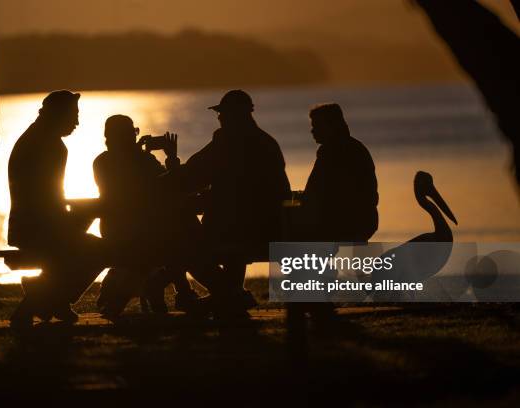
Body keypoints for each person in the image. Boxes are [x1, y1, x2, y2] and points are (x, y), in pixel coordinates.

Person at [161, 90, 291, 318]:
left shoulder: (226, 142)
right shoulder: (267, 142)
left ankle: (229, 295)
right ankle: (229, 296)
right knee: (224, 242)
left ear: (234, 115)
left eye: (222, 113)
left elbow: (191, 177)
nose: (219, 118)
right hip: (267, 229)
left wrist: (171, 163)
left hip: (231, 230)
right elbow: (281, 191)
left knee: (181, 243)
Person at [7, 90, 103, 327]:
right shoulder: (50, 146)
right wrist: (75, 218)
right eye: (73, 116)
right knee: (101, 249)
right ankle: (41, 298)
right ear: (58, 114)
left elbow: (48, 196)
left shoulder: (37, 138)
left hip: (32, 225)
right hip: (40, 228)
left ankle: (50, 299)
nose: (77, 123)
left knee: (89, 233)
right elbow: (47, 198)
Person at [92, 115, 199, 319]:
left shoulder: (101, 162)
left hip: (114, 230)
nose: (135, 136)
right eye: (133, 132)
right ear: (127, 136)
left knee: (175, 234)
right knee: (181, 236)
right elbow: (171, 185)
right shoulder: (141, 160)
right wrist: (171, 158)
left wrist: (139, 153)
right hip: (141, 233)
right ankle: (180, 292)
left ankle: (177, 292)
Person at [298, 103, 379, 242]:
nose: (312, 131)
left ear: (331, 126)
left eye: (316, 126)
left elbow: (314, 192)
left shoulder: (331, 151)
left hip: (342, 225)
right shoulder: (356, 147)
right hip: (365, 222)